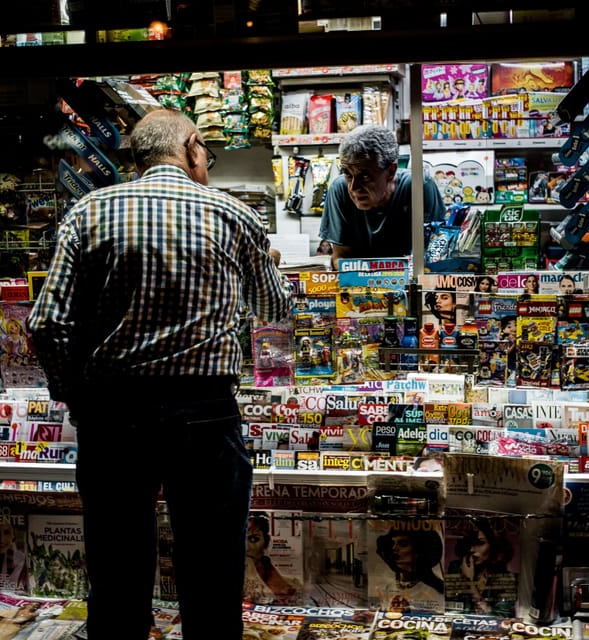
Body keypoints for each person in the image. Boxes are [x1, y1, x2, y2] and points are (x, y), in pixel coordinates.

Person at [28, 108, 292, 640]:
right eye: (207, 157)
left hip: (113, 415)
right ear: (192, 146)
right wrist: (264, 262)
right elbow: (273, 305)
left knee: (117, 577)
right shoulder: (234, 214)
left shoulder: (89, 211)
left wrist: (77, 398)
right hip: (205, 415)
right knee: (213, 575)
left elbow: (47, 323)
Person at [317, 124, 446, 267]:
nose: (353, 187)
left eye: (364, 176)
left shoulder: (418, 186)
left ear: (391, 171)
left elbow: (435, 255)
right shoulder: (339, 189)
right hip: (358, 285)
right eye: (347, 174)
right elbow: (340, 258)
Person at [448, 518, 517, 616]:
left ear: (494, 546)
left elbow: (501, 618)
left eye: (480, 543)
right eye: (469, 543)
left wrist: (470, 583)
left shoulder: (505, 578)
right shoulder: (456, 568)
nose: (472, 549)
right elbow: (451, 611)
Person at [373, 527, 445, 612]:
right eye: (393, 543)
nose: (394, 548)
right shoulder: (388, 587)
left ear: (419, 551)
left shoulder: (435, 592)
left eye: (403, 544)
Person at [243, 512, 298, 604]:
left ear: (266, 542)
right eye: (239, 539)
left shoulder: (292, 585)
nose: (246, 547)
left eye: (253, 539)